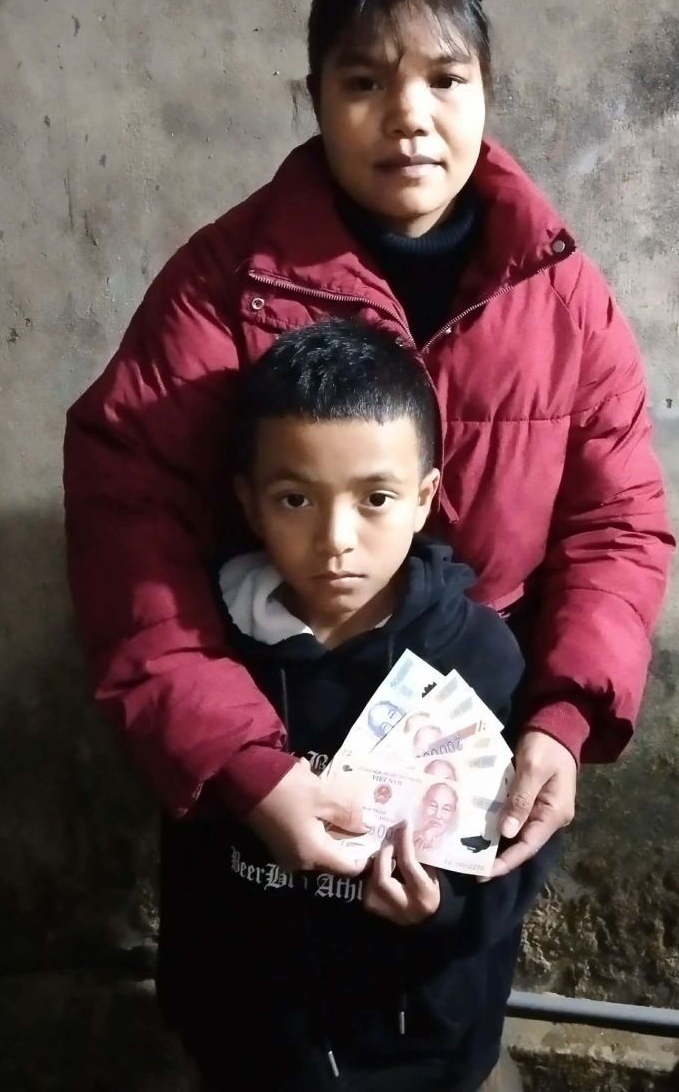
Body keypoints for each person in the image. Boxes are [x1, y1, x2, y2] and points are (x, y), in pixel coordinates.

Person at [64, 0, 674, 888]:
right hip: (272, 723)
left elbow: (617, 523)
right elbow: (127, 519)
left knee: (453, 967)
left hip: (476, 738)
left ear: (486, 92)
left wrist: (564, 719)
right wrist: (244, 762)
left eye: (446, 80)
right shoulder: (226, 287)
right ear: (315, 97)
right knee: (257, 963)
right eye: (364, 84)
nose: (409, 117)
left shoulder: (565, 300)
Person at [158, 320, 550, 1091]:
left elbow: (518, 853)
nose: (336, 539)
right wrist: (195, 1002)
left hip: (419, 1047)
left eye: (375, 498)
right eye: (295, 499)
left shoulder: (477, 658)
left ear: (424, 498)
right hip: (248, 1044)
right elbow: (189, 846)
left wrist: (442, 910)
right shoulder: (205, 653)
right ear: (248, 503)